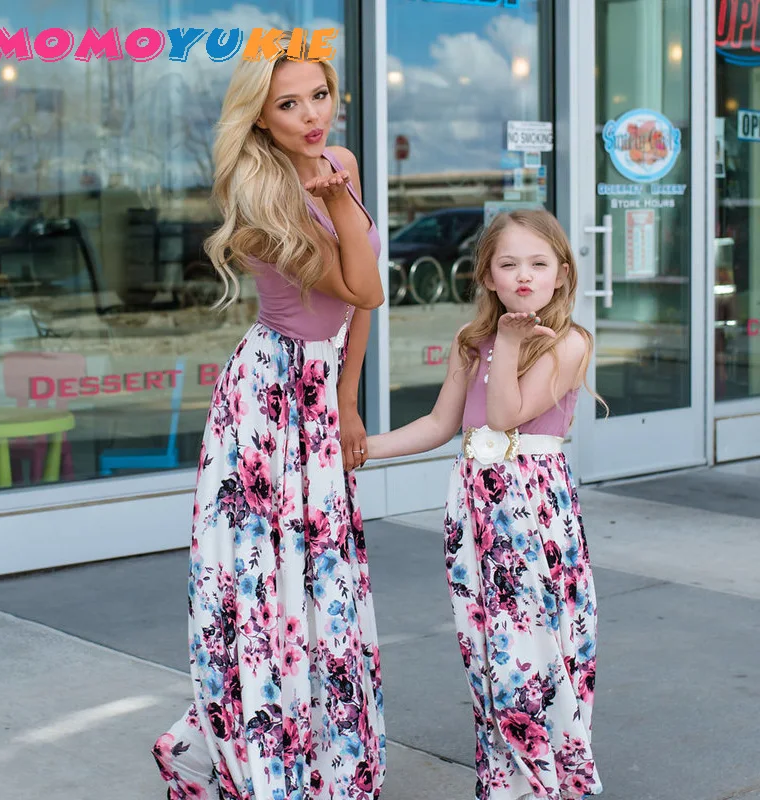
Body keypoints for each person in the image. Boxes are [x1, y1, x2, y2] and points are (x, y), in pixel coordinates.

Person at [153, 38, 386, 800]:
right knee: (265, 581)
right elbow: (364, 285)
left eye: (319, 95)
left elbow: (359, 313)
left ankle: (326, 753)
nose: (312, 115)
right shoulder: (257, 193)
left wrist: (348, 400)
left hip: (320, 389)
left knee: (322, 575)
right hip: (269, 396)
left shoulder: (338, 160)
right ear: (259, 116)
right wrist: (342, 200)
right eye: (288, 104)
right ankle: (241, 751)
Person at [366, 209, 604, 800]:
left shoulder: (569, 342)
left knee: (536, 646)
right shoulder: (471, 342)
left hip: (532, 510)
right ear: (487, 275)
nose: (524, 275)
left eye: (538, 263)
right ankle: (504, 780)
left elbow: (504, 416)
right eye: (509, 263)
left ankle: (548, 778)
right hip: (476, 510)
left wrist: (510, 342)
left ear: (562, 273)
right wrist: (360, 449)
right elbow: (439, 423)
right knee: (487, 649)